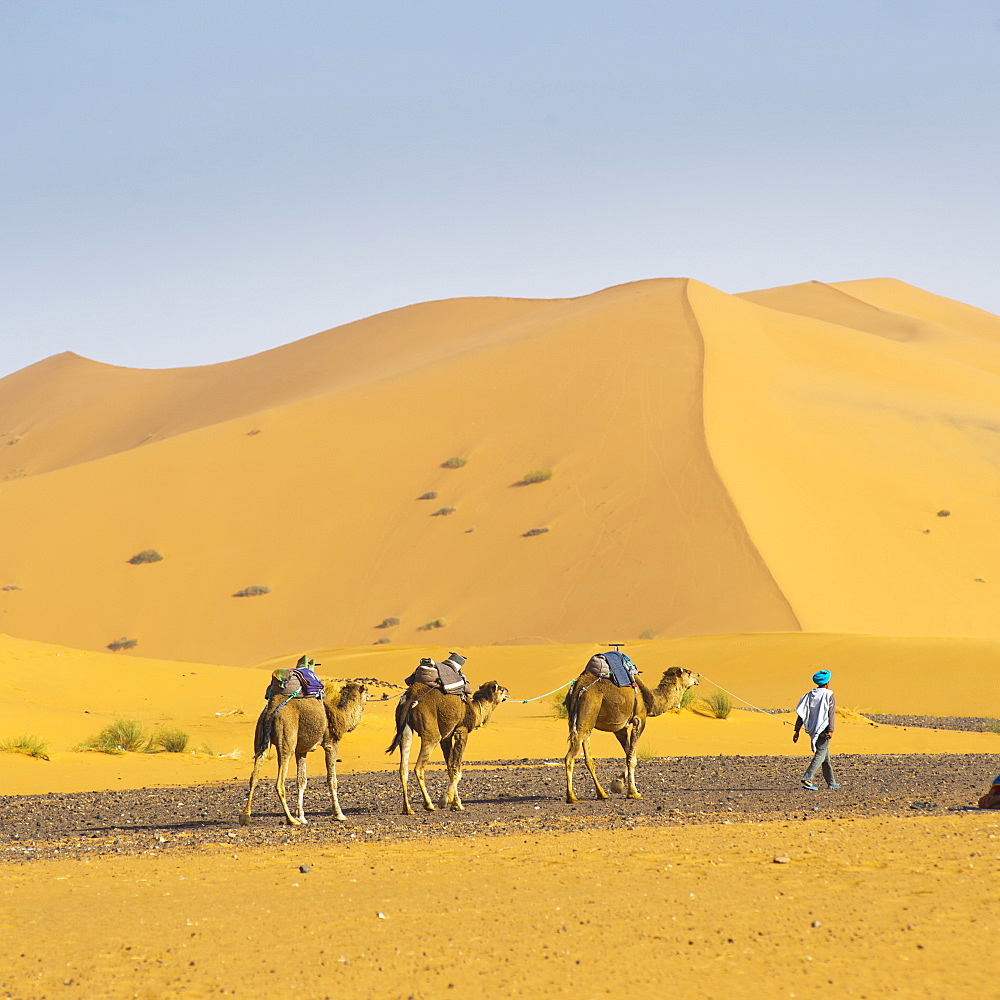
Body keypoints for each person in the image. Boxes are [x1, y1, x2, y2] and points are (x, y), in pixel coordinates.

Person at [793, 668, 840, 790]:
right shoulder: (828, 694)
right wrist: (831, 730)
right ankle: (808, 778)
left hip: (812, 728)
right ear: (827, 682)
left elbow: (801, 714)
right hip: (824, 729)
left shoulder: (809, 695)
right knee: (821, 753)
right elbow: (831, 714)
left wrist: (797, 730)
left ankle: (831, 782)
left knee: (825, 756)